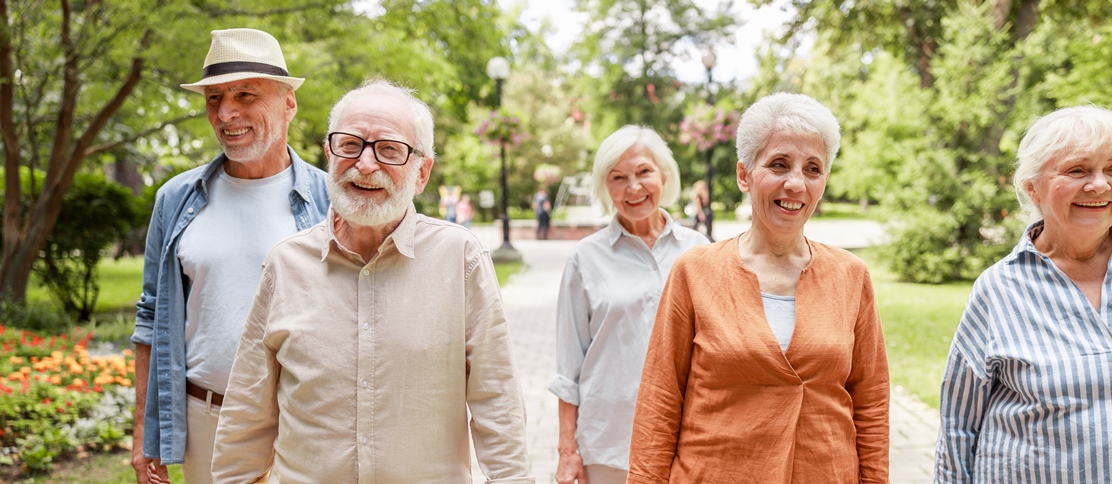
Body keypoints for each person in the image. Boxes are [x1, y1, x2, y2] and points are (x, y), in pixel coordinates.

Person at [211, 80, 533, 483]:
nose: (365, 164)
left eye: (389, 150)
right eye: (350, 145)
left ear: (422, 172)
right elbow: (246, 414)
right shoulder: (285, 264)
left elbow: (497, 404)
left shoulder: (461, 259)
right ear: (330, 154)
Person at [627, 92, 890, 483]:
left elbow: (871, 406)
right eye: (779, 164)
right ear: (744, 175)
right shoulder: (694, 272)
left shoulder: (850, 275)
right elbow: (659, 402)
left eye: (813, 168)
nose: (796, 183)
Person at [934, 106, 1112, 482]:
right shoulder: (1001, 287)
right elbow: (958, 425)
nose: (1100, 185)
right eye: (1077, 170)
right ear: (1033, 188)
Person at [130, 28, 329, 484]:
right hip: (207, 422)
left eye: (245, 94)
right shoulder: (175, 198)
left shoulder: (331, 199)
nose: (226, 113)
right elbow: (151, 315)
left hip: (308, 420)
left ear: (288, 103)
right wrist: (144, 433)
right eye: (215, 98)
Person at [551, 126, 709, 484]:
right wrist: (567, 451)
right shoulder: (584, 257)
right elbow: (568, 368)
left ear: (664, 175)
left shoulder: (698, 248)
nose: (633, 188)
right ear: (605, 188)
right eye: (618, 177)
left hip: (690, 436)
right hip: (609, 443)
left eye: (643, 172)